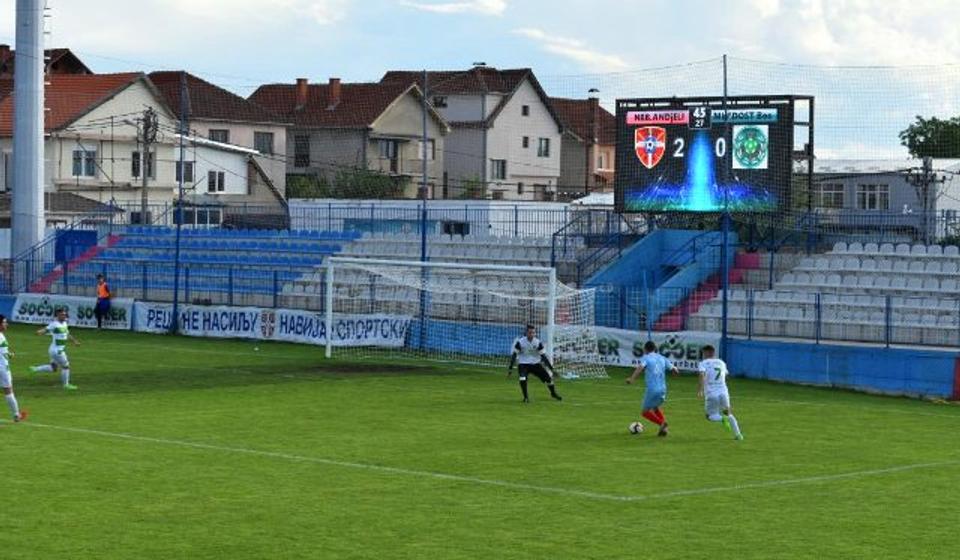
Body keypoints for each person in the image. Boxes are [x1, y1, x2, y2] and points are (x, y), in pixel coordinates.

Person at [626, 340, 678, 437]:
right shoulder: (662, 358)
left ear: (645, 349)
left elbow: (640, 368)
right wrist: (674, 373)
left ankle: (662, 424)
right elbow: (675, 370)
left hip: (652, 389)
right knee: (655, 407)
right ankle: (664, 429)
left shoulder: (646, 358)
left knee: (645, 412)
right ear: (655, 349)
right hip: (663, 389)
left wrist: (632, 379)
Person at [697, 345, 743, 441]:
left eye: (703, 353)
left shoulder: (703, 363)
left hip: (711, 393)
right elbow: (726, 376)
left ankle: (722, 419)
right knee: (729, 413)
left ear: (707, 353)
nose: (703, 355)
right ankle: (738, 435)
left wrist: (700, 390)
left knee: (709, 416)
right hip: (723, 391)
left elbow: (702, 375)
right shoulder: (722, 362)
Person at [508, 325, 562, 403]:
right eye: (530, 332)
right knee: (522, 378)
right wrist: (510, 368)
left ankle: (553, 394)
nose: (532, 334)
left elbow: (544, 357)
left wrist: (552, 370)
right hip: (523, 364)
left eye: (533, 332)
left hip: (535, 364)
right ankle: (526, 397)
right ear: (526, 333)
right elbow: (514, 355)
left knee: (549, 380)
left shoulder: (537, 342)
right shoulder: (520, 342)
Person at [31, 308, 80, 390]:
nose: (64, 316)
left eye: (65, 314)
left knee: (54, 368)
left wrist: (74, 341)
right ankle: (66, 385)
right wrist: (39, 332)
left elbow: (67, 334)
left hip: (52, 349)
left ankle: (36, 369)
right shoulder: (54, 324)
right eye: (62, 315)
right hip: (57, 351)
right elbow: (46, 329)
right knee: (66, 366)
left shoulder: (64, 323)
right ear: (57, 315)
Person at [0, 315, 27, 422]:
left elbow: (2, 350)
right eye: (4, 322)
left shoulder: (1, 335)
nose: (7, 324)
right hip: (2, 369)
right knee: (8, 391)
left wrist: (9, 354)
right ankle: (16, 415)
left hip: (3, 366)